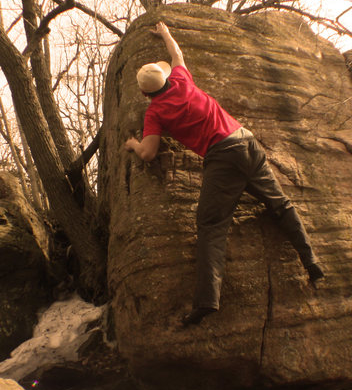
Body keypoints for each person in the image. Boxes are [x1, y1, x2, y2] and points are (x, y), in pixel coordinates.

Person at [125, 21, 324, 327]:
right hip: (247, 141)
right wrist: (164, 33)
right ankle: (311, 261)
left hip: (223, 158)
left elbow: (150, 153)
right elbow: (177, 54)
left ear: (144, 92)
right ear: (165, 77)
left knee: (210, 225)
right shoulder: (182, 80)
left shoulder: (155, 111)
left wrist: (134, 144)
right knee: (280, 205)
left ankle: (207, 302)